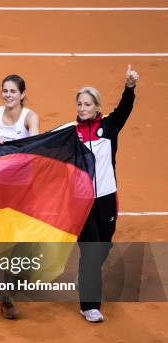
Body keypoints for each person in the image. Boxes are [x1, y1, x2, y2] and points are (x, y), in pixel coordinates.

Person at [75, 65, 139, 323]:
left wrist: (130, 88)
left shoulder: (108, 128)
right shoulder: (71, 133)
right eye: (79, 104)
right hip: (82, 202)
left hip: (107, 199)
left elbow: (124, 110)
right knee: (91, 251)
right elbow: (42, 145)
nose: (82, 108)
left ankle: (87, 273)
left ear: (97, 106)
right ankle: (89, 305)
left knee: (102, 246)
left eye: (87, 104)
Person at [0, 74, 40, 319]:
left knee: (23, 244)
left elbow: (35, 147)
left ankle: (11, 281)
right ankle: (5, 299)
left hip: (23, 190)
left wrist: (6, 144)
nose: (8, 95)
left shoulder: (30, 118)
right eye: (4, 90)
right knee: (1, 241)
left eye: (13, 91)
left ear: (22, 94)